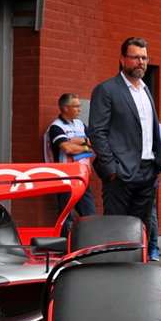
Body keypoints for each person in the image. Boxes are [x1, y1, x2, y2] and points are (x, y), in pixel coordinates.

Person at [87, 37, 160, 248]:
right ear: (122, 59)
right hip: (120, 174)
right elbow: (97, 131)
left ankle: (136, 273)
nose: (141, 62)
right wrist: (111, 169)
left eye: (144, 58)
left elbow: (151, 130)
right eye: (135, 57)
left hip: (147, 173)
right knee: (116, 230)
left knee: (140, 231)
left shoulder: (146, 90)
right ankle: (114, 275)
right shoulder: (107, 89)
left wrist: (158, 164)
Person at [43, 93, 95, 233]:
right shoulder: (56, 127)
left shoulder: (80, 124)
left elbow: (95, 143)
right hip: (65, 178)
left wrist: (81, 141)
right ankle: (66, 246)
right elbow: (66, 148)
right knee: (66, 215)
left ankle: (89, 244)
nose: (80, 109)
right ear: (65, 108)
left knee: (89, 214)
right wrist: (85, 145)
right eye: (76, 106)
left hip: (82, 176)